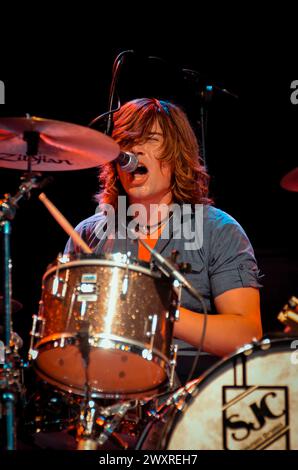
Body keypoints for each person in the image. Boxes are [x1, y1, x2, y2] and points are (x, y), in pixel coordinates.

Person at [65, 97, 263, 383]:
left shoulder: (219, 230)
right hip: (100, 384)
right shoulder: (87, 234)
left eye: (151, 139)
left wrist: (157, 310)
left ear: (176, 154)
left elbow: (246, 335)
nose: (134, 150)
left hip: (188, 390)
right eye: (126, 142)